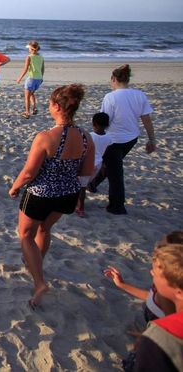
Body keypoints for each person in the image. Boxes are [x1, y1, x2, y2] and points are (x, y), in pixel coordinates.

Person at [8, 84, 95, 309]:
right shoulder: (86, 138)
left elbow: (29, 172)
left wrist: (15, 187)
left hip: (40, 194)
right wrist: (77, 196)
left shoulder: (46, 137)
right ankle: (36, 264)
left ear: (57, 106)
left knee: (26, 235)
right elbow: (86, 173)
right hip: (67, 194)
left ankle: (39, 282)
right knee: (45, 229)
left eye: (49, 103)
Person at [88, 64, 157, 215]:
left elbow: (105, 120)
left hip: (113, 140)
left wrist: (96, 135)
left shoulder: (110, 97)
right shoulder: (139, 95)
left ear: (113, 79)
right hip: (131, 138)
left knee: (115, 172)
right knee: (111, 165)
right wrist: (152, 140)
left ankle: (117, 206)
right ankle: (93, 184)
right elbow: (146, 119)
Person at [104, 232, 183, 324]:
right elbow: (151, 297)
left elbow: (171, 327)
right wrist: (122, 285)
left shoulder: (171, 313)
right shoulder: (165, 285)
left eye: (161, 248)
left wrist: (152, 334)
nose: (156, 251)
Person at [133, 243, 183, 371]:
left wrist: (149, 339)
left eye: (156, 273)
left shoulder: (160, 337)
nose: (151, 272)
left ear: (179, 292)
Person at [75, 112, 114, 217]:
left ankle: (80, 208)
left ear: (93, 123)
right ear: (107, 125)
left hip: (87, 164)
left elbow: (84, 150)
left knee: (81, 187)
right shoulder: (109, 138)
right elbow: (105, 153)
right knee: (84, 184)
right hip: (98, 164)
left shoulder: (90, 136)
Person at [15, 41, 45, 119]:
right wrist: (41, 77)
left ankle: (27, 113)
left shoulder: (29, 57)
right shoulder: (41, 57)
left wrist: (19, 78)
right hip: (39, 79)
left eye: (29, 48)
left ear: (31, 49)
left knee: (27, 97)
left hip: (31, 79)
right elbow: (42, 69)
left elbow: (25, 69)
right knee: (31, 94)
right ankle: (34, 108)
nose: (28, 49)